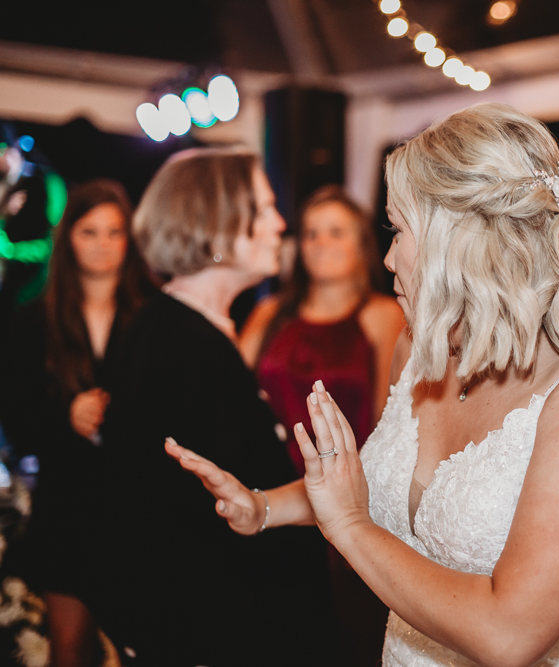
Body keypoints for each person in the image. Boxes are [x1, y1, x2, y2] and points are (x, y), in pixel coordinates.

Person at [166, 102, 559, 666]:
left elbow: (509, 635)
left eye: (399, 231)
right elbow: (372, 486)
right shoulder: (421, 355)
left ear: (464, 240)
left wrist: (350, 528)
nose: (387, 257)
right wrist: (261, 508)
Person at [91, 148, 336, 666]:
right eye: (265, 207)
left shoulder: (191, 329)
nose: (279, 224)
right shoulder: (177, 342)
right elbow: (169, 520)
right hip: (212, 634)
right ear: (219, 223)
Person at [0, 179, 156, 667]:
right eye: (90, 232)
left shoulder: (152, 316)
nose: (104, 245)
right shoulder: (33, 316)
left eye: (115, 232)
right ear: (68, 236)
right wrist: (63, 414)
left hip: (136, 508)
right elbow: (14, 417)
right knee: (69, 649)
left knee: (139, 649)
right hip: (66, 507)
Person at [238, 185, 404, 474]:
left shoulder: (385, 316)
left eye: (336, 233)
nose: (321, 243)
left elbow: (389, 419)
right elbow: (232, 395)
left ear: (362, 244)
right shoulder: (269, 312)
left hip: (345, 481)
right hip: (262, 474)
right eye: (311, 234)